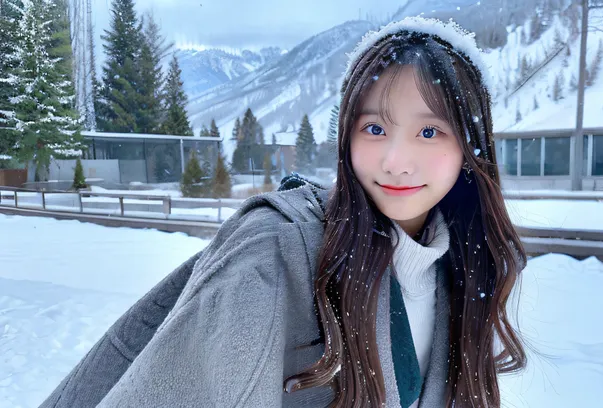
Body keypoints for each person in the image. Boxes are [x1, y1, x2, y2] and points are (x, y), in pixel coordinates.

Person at [40, 16, 527, 408]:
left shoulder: (463, 265)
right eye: (375, 128)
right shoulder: (275, 251)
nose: (396, 162)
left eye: (428, 132)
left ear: (471, 146)